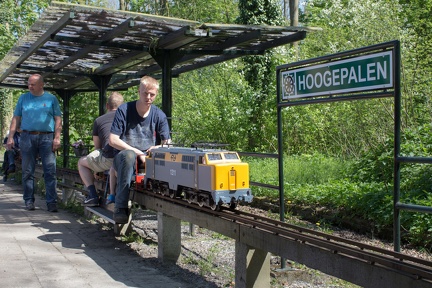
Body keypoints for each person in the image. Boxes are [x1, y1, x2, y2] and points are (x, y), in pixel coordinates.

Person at [108, 75, 171, 223]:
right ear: (139, 91)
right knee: (129, 156)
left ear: (156, 95)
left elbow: (167, 142)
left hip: (148, 159)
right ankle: (120, 207)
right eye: (145, 93)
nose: (148, 97)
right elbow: (112, 139)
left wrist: (157, 147)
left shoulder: (159, 115)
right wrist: (137, 152)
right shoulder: (124, 110)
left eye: (152, 94)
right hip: (124, 159)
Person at [8, 74, 62, 212]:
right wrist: (11, 137)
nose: (30, 86)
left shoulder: (51, 99)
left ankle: (52, 202)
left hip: (46, 137)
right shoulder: (23, 98)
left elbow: (57, 119)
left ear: (41, 85)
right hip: (27, 136)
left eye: (32, 84)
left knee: (50, 170)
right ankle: (29, 201)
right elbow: (16, 118)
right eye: (29, 84)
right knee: (27, 170)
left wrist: (57, 137)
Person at [78, 92, 124, 206]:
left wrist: (97, 170)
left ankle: (93, 195)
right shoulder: (127, 118)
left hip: (109, 159)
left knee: (81, 163)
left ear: (107, 106)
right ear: (122, 106)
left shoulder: (99, 120)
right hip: (125, 157)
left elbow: (97, 148)